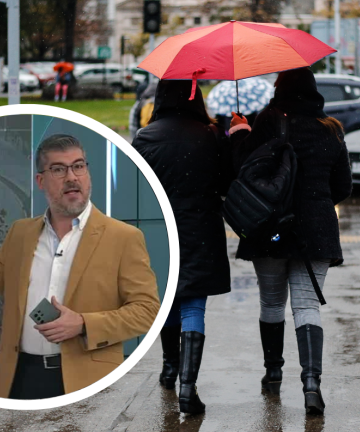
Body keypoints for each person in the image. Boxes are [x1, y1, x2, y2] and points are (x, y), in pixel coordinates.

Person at [0, 134, 160, 399]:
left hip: (89, 381)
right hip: (21, 378)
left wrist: (83, 324)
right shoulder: (21, 233)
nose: (72, 176)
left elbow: (147, 311)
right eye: (59, 169)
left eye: (79, 166)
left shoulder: (123, 237)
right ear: (40, 181)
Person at [229, 67, 352, 415]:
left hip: (269, 228)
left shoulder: (268, 120)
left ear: (280, 88)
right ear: (314, 91)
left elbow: (242, 169)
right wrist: (315, 204)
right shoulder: (332, 130)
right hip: (316, 231)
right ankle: (312, 385)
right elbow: (343, 186)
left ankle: (273, 372)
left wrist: (239, 132)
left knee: (271, 304)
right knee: (307, 306)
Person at [132, 80, 232, 414]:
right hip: (199, 226)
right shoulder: (210, 134)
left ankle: (169, 368)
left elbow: (135, 186)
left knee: (167, 299)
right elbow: (227, 181)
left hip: (158, 231)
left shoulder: (146, 137)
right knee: (193, 305)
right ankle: (188, 388)